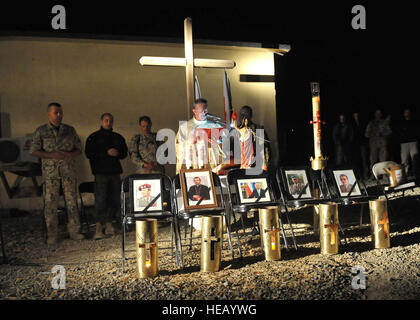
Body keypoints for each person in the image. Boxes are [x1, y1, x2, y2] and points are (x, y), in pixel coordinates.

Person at [30, 102, 85, 244]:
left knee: (72, 202)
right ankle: (52, 234)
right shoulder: (41, 131)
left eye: (60, 112)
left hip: (68, 172)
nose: (59, 115)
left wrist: (67, 154)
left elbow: (79, 149)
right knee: (50, 204)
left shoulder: (70, 130)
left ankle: (74, 231)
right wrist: (52, 155)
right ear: (49, 114)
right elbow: (34, 151)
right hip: (51, 174)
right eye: (56, 112)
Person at [85, 113, 128, 240]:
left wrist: (117, 153)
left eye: (111, 120)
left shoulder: (118, 137)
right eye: (106, 120)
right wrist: (105, 153)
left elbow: (124, 153)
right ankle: (99, 226)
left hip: (114, 173)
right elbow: (89, 153)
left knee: (114, 199)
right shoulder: (94, 137)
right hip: (100, 173)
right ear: (101, 121)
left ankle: (109, 223)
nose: (108, 123)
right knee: (100, 200)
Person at [175, 98, 225, 174]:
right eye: (201, 110)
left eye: (206, 111)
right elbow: (178, 147)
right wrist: (189, 142)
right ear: (194, 111)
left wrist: (218, 144)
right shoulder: (185, 127)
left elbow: (225, 145)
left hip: (212, 166)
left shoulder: (215, 125)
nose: (204, 113)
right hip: (194, 166)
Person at [232, 106, 271, 172]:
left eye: (246, 114)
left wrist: (264, 166)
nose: (243, 116)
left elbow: (264, 149)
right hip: (239, 166)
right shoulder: (235, 131)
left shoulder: (258, 129)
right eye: (241, 114)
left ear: (250, 116)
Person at [365, 109, 392, 174]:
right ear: (375, 114)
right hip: (373, 144)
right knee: (373, 160)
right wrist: (373, 133)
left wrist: (382, 134)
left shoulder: (384, 122)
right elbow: (366, 134)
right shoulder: (371, 123)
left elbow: (389, 132)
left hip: (382, 144)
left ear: (381, 114)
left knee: (383, 160)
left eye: (379, 113)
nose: (378, 115)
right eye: (377, 113)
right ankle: (373, 175)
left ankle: (384, 175)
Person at [395, 108, 419, 177]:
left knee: (415, 159)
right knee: (404, 160)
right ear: (404, 113)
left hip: (413, 142)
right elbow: (398, 132)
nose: (407, 113)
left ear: (410, 113)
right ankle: (405, 173)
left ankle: (416, 173)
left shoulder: (414, 121)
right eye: (405, 112)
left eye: (408, 112)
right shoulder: (401, 122)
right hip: (404, 143)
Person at [350, 112, 369, 180]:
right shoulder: (351, 124)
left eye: (357, 115)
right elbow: (351, 135)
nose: (356, 116)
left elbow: (365, 133)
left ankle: (365, 175)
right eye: (355, 115)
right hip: (355, 145)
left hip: (362, 144)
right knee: (356, 161)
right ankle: (357, 176)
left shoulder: (362, 122)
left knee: (364, 160)